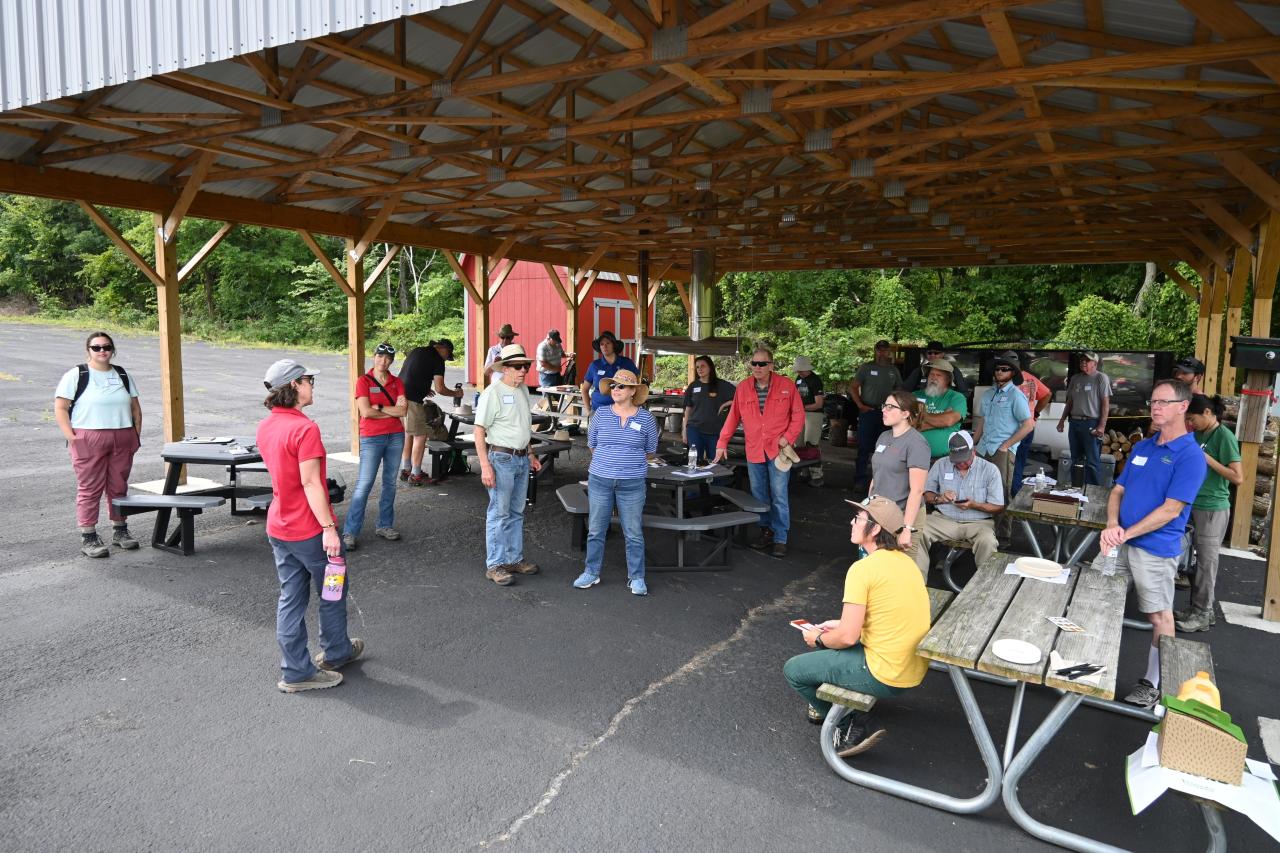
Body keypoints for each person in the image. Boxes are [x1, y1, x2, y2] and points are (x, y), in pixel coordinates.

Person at [782, 496, 931, 756]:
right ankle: (838, 709)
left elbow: (847, 638)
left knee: (794, 670)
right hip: (912, 667)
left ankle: (849, 723)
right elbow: (886, 614)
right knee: (830, 643)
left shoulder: (862, 569)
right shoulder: (906, 562)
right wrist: (837, 626)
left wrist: (817, 638)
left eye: (859, 519)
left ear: (874, 529)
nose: (852, 523)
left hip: (885, 673)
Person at [256, 359, 364, 693]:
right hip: (312, 534)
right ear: (292, 387)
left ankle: (296, 671)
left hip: (280, 528)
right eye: (307, 380)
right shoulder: (304, 429)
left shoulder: (267, 426)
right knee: (332, 592)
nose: (312, 384)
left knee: (291, 597)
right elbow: (311, 484)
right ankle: (335, 652)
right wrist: (329, 529)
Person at [1100, 379, 1206, 708]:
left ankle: (1154, 684)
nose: (1155, 407)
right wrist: (1113, 524)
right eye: (1153, 402)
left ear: (1183, 407)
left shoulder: (1190, 457)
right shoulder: (1145, 447)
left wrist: (1125, 533)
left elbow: (1171, 510)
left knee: (1159, 617)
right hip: (1120, 541)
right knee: (1096, 594)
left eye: (1162, 402)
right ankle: (1090, 668)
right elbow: (1118, 490)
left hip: (1155, 549)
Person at [54, 331, 143, 558]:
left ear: (113, 350)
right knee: (89, 487)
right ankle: (89, 536)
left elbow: (135, 407)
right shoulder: (77, 374)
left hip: (122, 435)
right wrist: (72, 437)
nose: (102, 351)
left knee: (118, 485)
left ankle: (120, 530)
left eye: (106, 347)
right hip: (88, 436)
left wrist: (135, 434)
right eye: (97, 347)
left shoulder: (122, 374)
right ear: (88, 350)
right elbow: (61, 407)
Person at [713, 347, 805, 557]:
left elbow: (798, 416)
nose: (757, 367)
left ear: (771, 365)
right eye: (754, 363)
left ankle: (780, 537)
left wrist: (788, 437)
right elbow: (733, 417)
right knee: (759, 495)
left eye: (762, 364)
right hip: (754, 449)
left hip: (778, 450)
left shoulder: (786, 386)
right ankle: (765, 532)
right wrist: (722, 442)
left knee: (779, 495)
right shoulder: (744, 387)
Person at [574, 370, 658, 595]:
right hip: (600, 479)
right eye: (613, 386)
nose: (615, 390)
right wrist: (610, 462)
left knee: (633, 532)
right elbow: (592, 445)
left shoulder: (646, 419)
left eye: (621, 386)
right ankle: (591, 572)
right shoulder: (600, 414)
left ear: (633, 391)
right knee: (596, 530)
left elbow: (650, 451)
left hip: (632, 483)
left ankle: (637, 577)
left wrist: (625, 462)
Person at [475, 344, 543, 587]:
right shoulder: (492, 393)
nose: (524, 370)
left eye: (525, 365)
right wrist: (485, 466)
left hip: (522, 458)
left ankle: (513, 559)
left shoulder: (523, 389)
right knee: (499, 513)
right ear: (504, 368)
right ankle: (494, 565)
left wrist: (531, 453)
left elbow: (524, 426)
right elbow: (479, 431)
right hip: (501, 459)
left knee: (516, 512)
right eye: (518, 366)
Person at [1175, 394, 1242, 633]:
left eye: (1192, 418)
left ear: (1206, 413)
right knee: (1193, 561)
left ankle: (1202, 614)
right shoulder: (1199, 433)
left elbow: (1238, 477)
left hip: (1213, 507)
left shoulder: (1224, 436)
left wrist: (1206, 458)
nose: (1190, 423)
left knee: (1206, 563)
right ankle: (1200, 609)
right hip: (1194, 503)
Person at [341, 343, 407, 551]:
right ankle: (350, 531)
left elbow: (403, 411)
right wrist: (390, 410)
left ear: (392, 361)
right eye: (380, 356)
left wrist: (379, 407)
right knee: (364, 484)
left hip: (395, 436)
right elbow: (366, 412)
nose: (383, 361)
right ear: (374, 357)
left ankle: (385, 525)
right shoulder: (364, 381)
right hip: (372, 438)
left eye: (388, 358)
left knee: (390, 483)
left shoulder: (397, 382)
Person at [914, 431, 1004, 580]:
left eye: (965, 459)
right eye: (956, 460)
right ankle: (916, 584)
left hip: (978, 523)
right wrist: (939, 498)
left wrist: (974, 505)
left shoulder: (990, 470)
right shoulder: (941, 464)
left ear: (973, 451)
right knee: (915, 530)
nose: (961, 463)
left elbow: (998, 507)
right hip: (944, 519)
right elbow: (926, 494)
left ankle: (986, 585)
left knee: (988, 541)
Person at [973, 351, 1035, 543]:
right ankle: (983, 529)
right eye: (997, 369)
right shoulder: (988, 393)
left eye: (1004, 369)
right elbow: (982, 420)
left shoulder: (1016, 395)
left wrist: (1007, 445)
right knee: (980, 489)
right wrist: (973, 444)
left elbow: (1028, 424)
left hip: (1001, 451)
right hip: (983, 448)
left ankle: (1003, 533)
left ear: (1012, 373)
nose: (999, 371)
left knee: (1001, 491)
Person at [868, 390, 929, 552]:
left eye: (889, 407)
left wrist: (907, 528)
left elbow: (917, 490)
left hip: (903, 515)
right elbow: (876, 476)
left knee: (903, 569)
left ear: (905, 413)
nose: (883, 410)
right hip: (880, 511)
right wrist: (868, 506)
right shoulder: (883, 437)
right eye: (884, 406)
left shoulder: (916, 443)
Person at [398, 339, 463, 485]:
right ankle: (415, 475)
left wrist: (422, 387)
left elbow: (411, 372)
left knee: (409, 433)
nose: (446, 359)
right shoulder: (437, 359)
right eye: (448, 355)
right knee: (420, 436)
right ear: (444, 349)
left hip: (399, 397)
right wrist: (456, 394)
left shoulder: (418, 350)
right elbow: (440, 388)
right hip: (413, 400)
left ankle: (406, 469)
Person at [850, 340, 903, 485]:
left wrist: (895, 408)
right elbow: (853, 387)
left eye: (885, 350)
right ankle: (860, 481)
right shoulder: (866, 367)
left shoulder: (893, 370)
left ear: (889, 352)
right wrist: (860, 405)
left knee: (885, 448)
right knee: (863, 447)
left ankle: (880, 482)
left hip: (887, 413)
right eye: (879, 350)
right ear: (875, 351)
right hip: (868, 411)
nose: (882, 353)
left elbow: (899, 391)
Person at [1056, 351, 1111, 486]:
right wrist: (1062, 420)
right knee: (1075, 458)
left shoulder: (1101, 378)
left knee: (1092, 460)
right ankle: (1076, 488)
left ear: (1095, 363)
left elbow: (1105, 404)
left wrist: (1102, 426)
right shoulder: (1075, 378)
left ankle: (1093, 492)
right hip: (1074, 421)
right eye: (1082, 360)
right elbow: (1070, 402)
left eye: (1087, 360)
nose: (1083, 362)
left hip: (1091, 422)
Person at [682, 355, 736, 464]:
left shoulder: (721, 385)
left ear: (710, 367)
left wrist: (726, 403)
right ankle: (696, 481)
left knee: (716, 463)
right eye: (697, 367)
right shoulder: (693, 386)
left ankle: (715, 481)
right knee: (694, 462)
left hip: (715, 430)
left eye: (703, 366)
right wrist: (684, 430)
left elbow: (741, 396)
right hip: (694, 429)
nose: (700, 369)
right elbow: (687, 409)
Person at [1010, 365, 1052, 495]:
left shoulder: (1007, 379)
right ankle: (1016, 492)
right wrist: (1035, 413)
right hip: (1029, 426)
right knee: (1021, 461)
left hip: (1013, 427)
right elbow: (1047, 394)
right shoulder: (1030, 378)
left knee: (1010, 461)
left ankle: (1010, 494)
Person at [913, 360, 967, 461]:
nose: (933, 377)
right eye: (931, 374)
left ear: (947, 380)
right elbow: (908, 423)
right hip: (915, 457)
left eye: (938, 375)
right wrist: (941, 419)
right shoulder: (915, 395)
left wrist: (922, 415)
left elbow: (948, 421)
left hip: (945, 458)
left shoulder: (956, 398)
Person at [580, 331, 638, 419]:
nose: (605, 346)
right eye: (602, 344)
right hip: (598, 411)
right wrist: (589, 411)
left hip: (623, 412)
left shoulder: (627, 363)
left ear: (614, 345)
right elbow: (584, 389)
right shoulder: (595, 365)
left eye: (608, 343)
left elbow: (636, 386)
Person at [792, 355, 826, 486]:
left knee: (811, 444)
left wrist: (802, 408)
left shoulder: (815, 380)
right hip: (800, 414)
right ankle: (803, 472)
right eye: (798, 370)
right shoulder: (799, 379)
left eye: (801, 370)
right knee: (799, 444)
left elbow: (819, 404)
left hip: (813, 415)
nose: (799, 372)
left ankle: (817, 475)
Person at [903, 341, 969, 395]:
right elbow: (905, 389)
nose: (932, 355)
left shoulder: (953, 370)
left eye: (936, 353)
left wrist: (955, 405)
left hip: (946, 406)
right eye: (930, 353)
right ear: (926, 354)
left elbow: (963, 392)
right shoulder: (919, 370)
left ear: (942, 354)